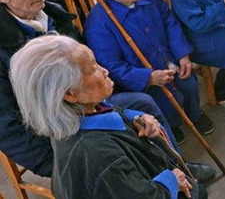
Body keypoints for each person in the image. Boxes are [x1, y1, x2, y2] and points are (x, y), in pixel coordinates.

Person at [0, 0, 215, 180]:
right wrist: (63, 165)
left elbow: (91, 64)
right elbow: (7, 128)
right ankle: (152, 183)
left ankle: (177, 167)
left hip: (91, 103)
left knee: (143, 105)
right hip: (60, 131)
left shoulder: (54, 16)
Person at [10, 35, 208, 199]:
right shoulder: (97, 155)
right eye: (92, 69)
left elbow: (113, 113)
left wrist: (137, 118)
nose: (104, 70)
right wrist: (171, 180)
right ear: (69, 94)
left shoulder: (80, 114)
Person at [84, 0, 215, 142]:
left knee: (189, 84)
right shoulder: (98, 25)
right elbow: (113, 67)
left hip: (169, 60)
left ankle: (195, 115)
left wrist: (181, 54)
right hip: (143, 80)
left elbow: (169, 20)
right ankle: (172, 124)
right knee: (162, 102)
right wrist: (148, 78)